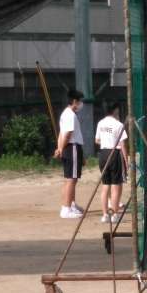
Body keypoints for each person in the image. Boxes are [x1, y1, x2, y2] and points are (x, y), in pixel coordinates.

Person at [95, 102, 128, 224]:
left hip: (103, 154)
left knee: (105, 185)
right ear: (115, 111)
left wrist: (106, 141)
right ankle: (114, 215)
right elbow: (122, 144)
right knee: (116, 185)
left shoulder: (100, 123)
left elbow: (97, 140)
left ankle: (105, 215)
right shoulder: (118, 124)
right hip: (115, 153)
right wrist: (126, 160)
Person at [55, 89, 85, 219]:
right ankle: (66, 209)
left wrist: (59, 148)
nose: (81, 104)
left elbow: (61, 134)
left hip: (70, 147)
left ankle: (70, 205)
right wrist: (61, 149)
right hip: (71, 147)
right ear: (74, 101)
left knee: (71, 179)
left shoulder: (66, 114)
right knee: (71, 179)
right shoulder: (70, 115)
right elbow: (67, 134)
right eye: (80, 101)